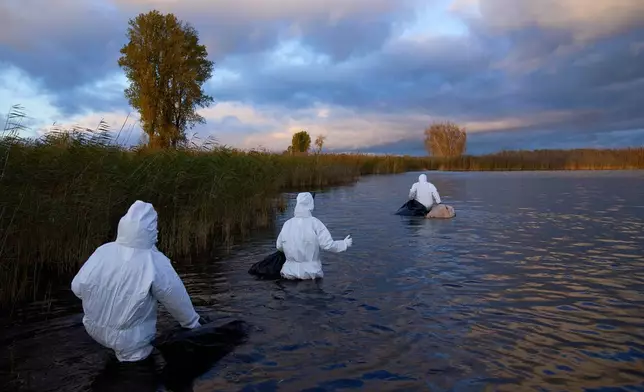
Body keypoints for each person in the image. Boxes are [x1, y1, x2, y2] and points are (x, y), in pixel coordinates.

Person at [71, 200, 202, 362]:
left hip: (93, 328)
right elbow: (175, 297)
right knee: (136, 372)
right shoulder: (154, 261)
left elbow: (77, 287)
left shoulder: (103, 251)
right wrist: (193, 324)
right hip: (132, 340)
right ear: (151, 229)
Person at [277, 192, 352, 280]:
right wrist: (344, 244)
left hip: (288, 274)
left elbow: (279, 246)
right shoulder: (316, 223)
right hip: (311, 275)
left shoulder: (287, 224)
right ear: (311, 205)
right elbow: (328, 245)